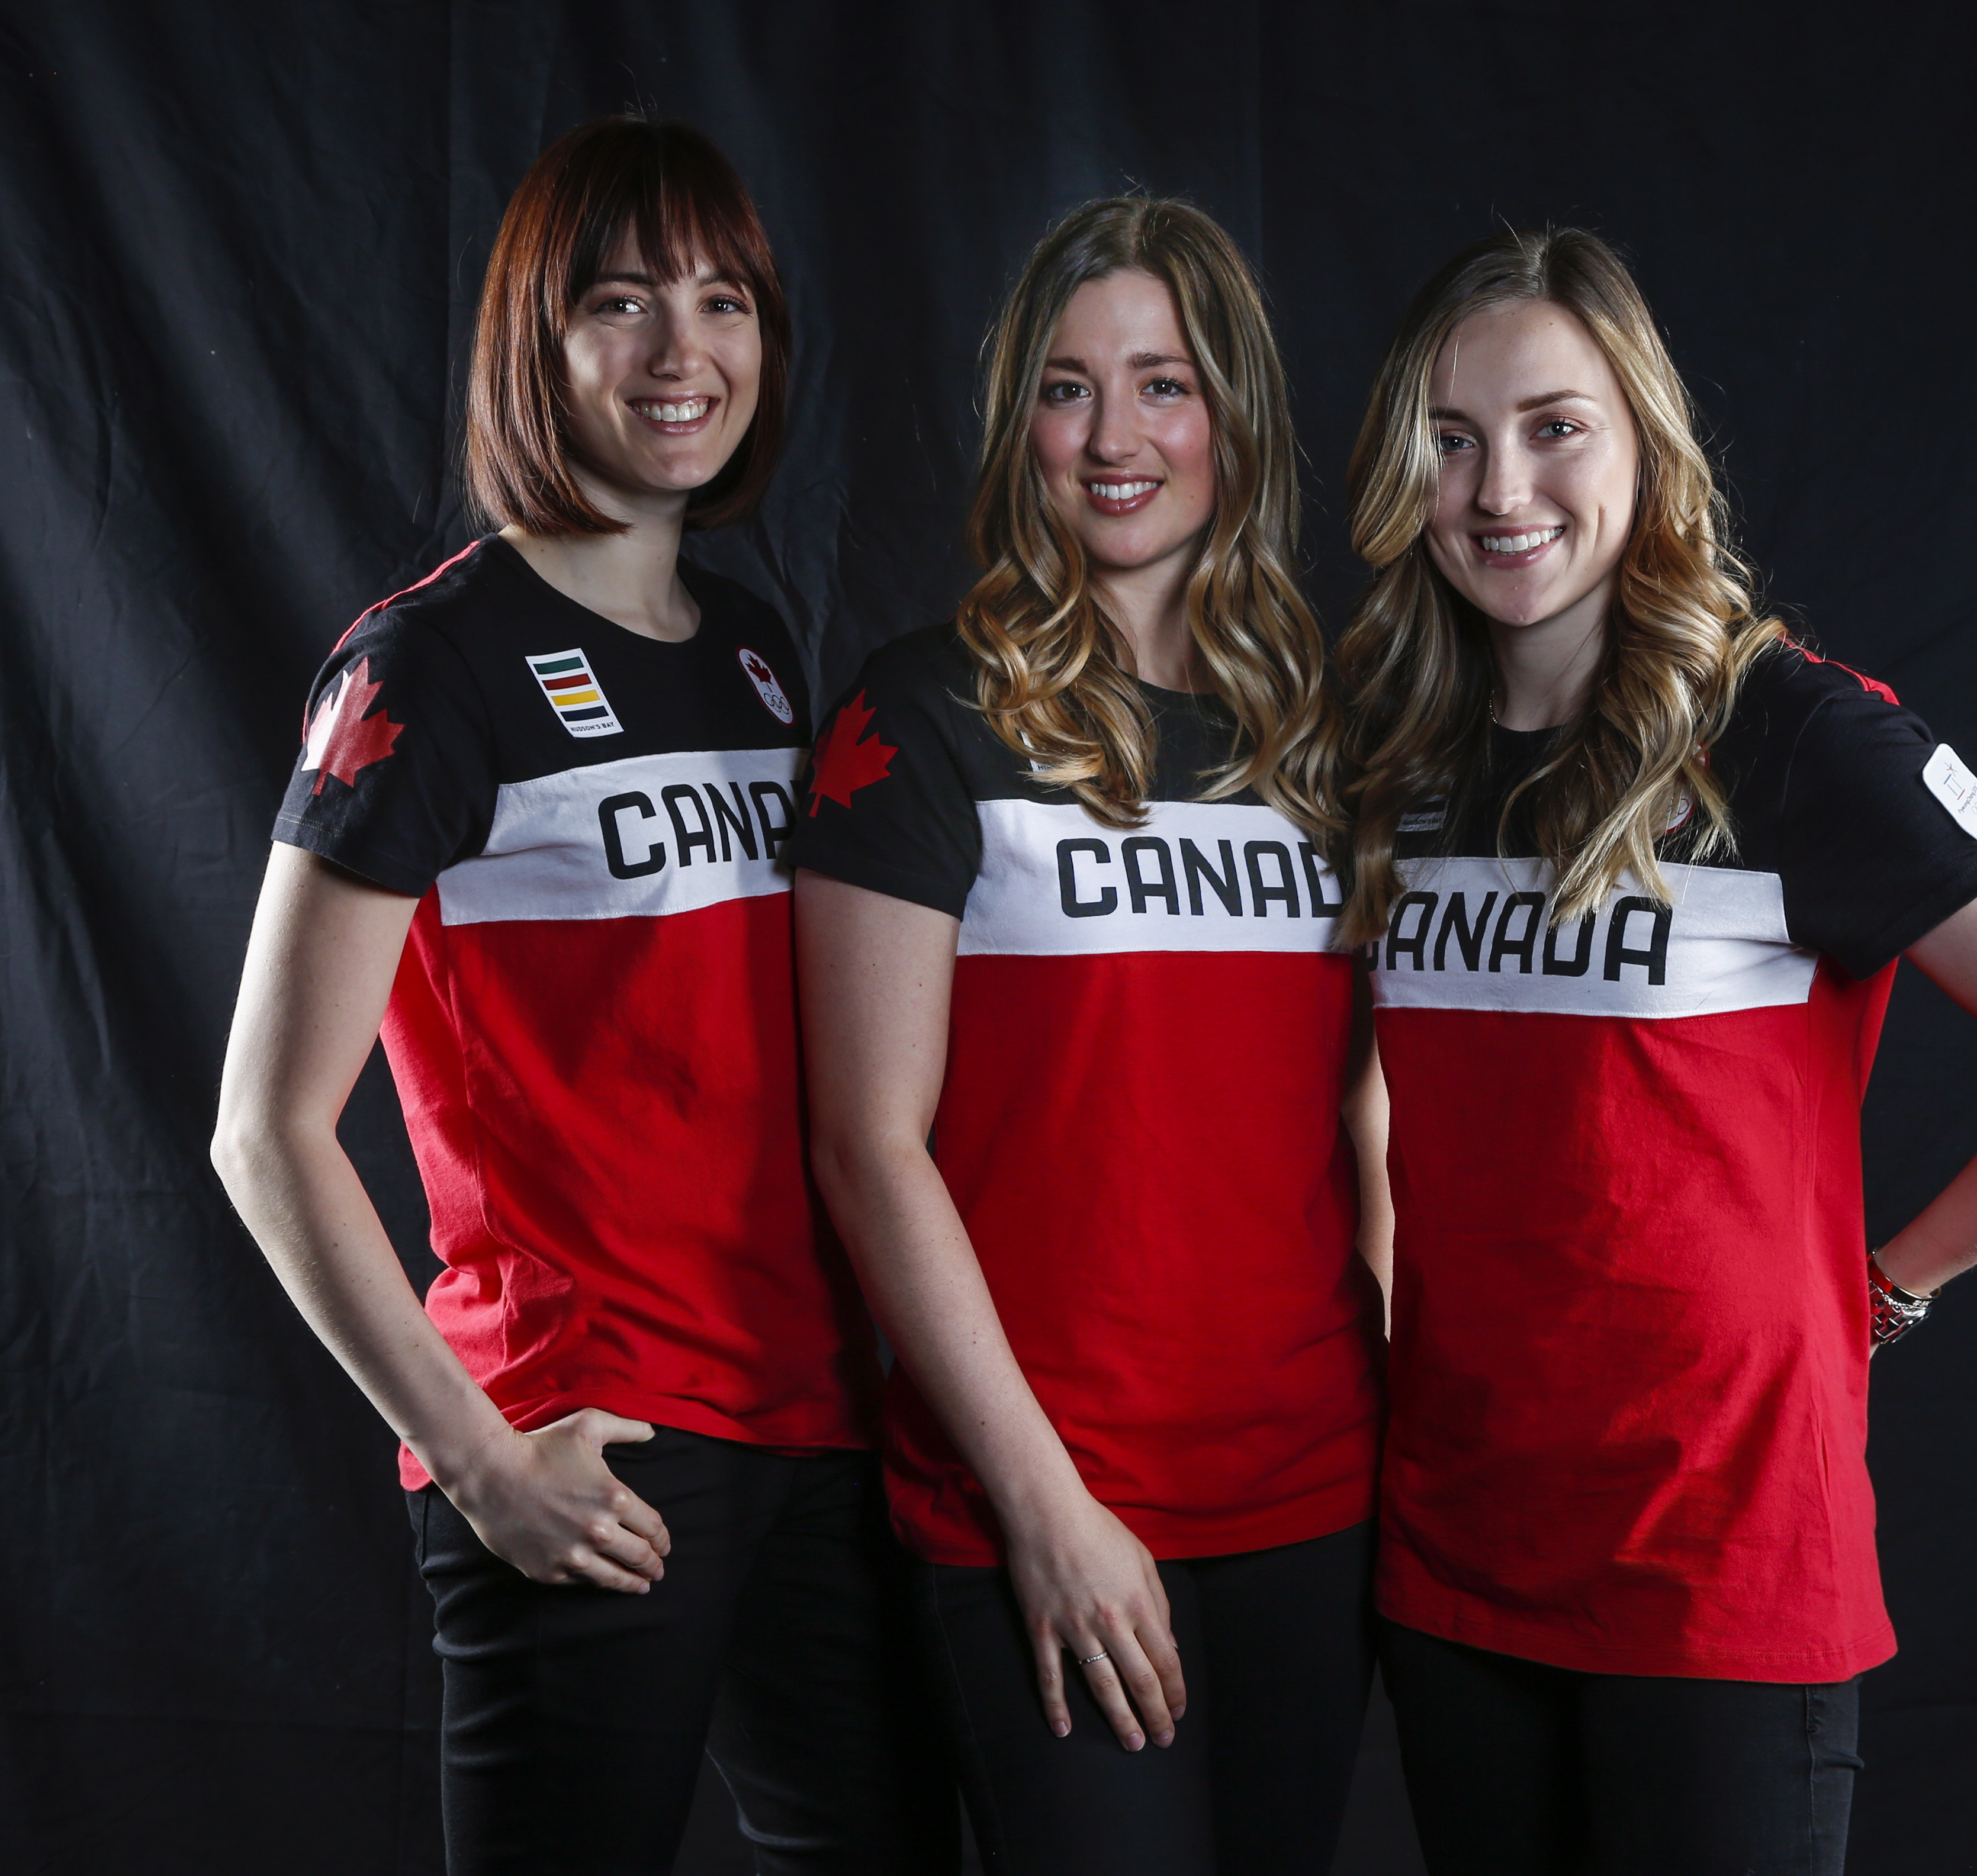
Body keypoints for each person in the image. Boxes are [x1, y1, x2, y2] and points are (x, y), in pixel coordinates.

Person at [1332, 227, 1977, 1876]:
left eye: (1553, 423)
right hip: (1456, 1552)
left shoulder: (1789, 731)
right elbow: (1380, 1089)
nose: (1499, 482)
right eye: (1451, 437)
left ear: (1643, 443)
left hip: (1717, 1565)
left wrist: (1887, 1288)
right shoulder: (1401, 756)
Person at [211, 116, 953, 1876]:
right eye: (619, 304)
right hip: (593, 1437)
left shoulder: (757, 641)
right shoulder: (430, 663)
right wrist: (475, 1457)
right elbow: (265, 1127)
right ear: (534, 345)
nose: (680, 352)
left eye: (722, 301)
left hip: (816, 1418)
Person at [791, 196, 1387, 1876]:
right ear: (1018, 428)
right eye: (1066, 388)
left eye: (1164, 384)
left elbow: (1363, 1121)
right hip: (1043, 1494)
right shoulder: (922, 713)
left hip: (1310, 1492)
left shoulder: (1332, 731)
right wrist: (1046, 1508)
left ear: (1236, 422)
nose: (1115, 437)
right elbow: (865, 1143)